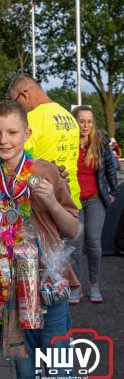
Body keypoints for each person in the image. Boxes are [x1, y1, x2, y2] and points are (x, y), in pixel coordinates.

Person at [0, 100, 79, 379]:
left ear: (27, 134)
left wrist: (51, 201)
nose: (4, 141)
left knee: (61, 377)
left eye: (12, 133)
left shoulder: (46, 171)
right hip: (11, 290)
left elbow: (74, 229)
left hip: (48, 288)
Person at [7, 74, 81, 210]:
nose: (15, 107)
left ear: (24, 95)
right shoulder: (68, 116)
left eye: (14, 101)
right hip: (73, 201)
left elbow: (14, 164)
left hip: (44, 207)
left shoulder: (31, 119)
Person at [69, 106, 118, 303]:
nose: (86, 125)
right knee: (75, 243)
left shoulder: (101, 142)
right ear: (75, 122)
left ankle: (94, 284)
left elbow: (109, 169)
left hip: (95, 199)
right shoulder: (68, 143)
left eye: (89, 121)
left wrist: (113, 191)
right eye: (82, 121)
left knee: (93, 242)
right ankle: (76, 286)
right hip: (74, 201)